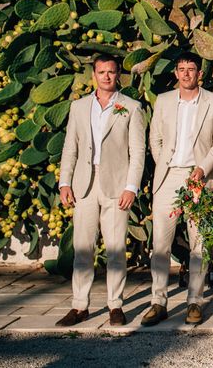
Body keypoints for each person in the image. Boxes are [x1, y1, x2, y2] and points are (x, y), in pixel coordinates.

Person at [56, 54, 146, 327]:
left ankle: (115, 305)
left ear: (118, 74)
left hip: (116, 185)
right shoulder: (79, 107)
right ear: (93, 74)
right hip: (84, 183)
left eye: (111, 71)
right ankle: (80, 306)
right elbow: (70, 146)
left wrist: (131, 186)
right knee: (83, 247)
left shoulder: (130, 107)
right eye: (101, 71)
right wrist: (64, 182)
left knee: (116, 247)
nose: (106, 76)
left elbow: (138, 150)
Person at [141, 52, 213, 327]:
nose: (186, 73)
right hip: (168, 179)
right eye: (181, 69)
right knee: (161, 244)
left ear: (200, 73)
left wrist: (202, 169)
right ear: (176, 73)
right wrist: (164, 162)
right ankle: (158, 301)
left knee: (198, 243)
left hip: (198, 177)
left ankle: (194, 301)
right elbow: (155, 136)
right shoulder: (164, 101)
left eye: (191, 69)